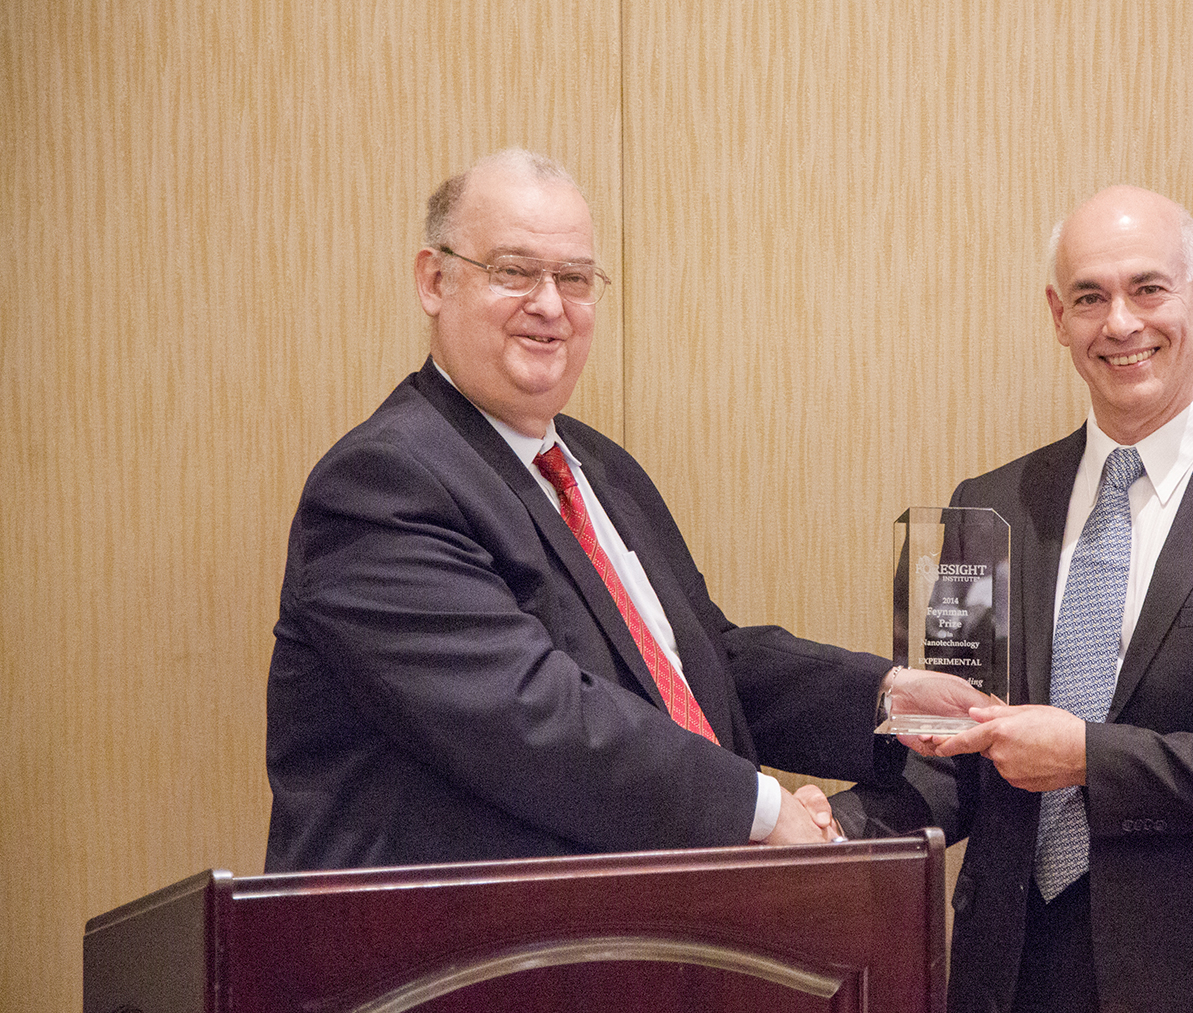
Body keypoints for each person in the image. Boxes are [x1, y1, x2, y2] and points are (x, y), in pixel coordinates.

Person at [265, 149, 982, 872]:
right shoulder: (382, 482)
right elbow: (533, 716)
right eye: (514, 271)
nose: (549, 305)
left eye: (574, 279)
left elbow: (701, 665)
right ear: (434, 278)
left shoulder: (598, 466)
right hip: (456, 963)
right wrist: (764, 813)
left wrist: (890, 701)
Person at [832, 185, 1193, 1013]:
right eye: (1090, 296)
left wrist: (1090, 755)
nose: (1120, 322)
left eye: (1147, 288)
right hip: (1015, 972)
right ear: (1059, 316)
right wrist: (836, 825)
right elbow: (960, 749)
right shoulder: (990, 507)